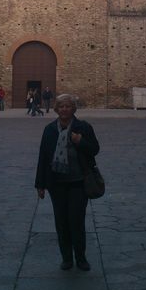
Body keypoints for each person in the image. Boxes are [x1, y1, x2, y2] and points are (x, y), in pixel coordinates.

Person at [35, 94, 100, 271]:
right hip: (57, 184)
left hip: (78, 182)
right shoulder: (49, 130)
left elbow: (95, 149)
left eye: (68, 106)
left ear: (73, 109)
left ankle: (80, 258)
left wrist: (81, 142)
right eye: (61, 107)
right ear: (56, 109)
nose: (64, 109)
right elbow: (43, 157)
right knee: (61, 222)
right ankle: (66, 258)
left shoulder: (83, 127)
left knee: (77, 221)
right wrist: (40, 184)